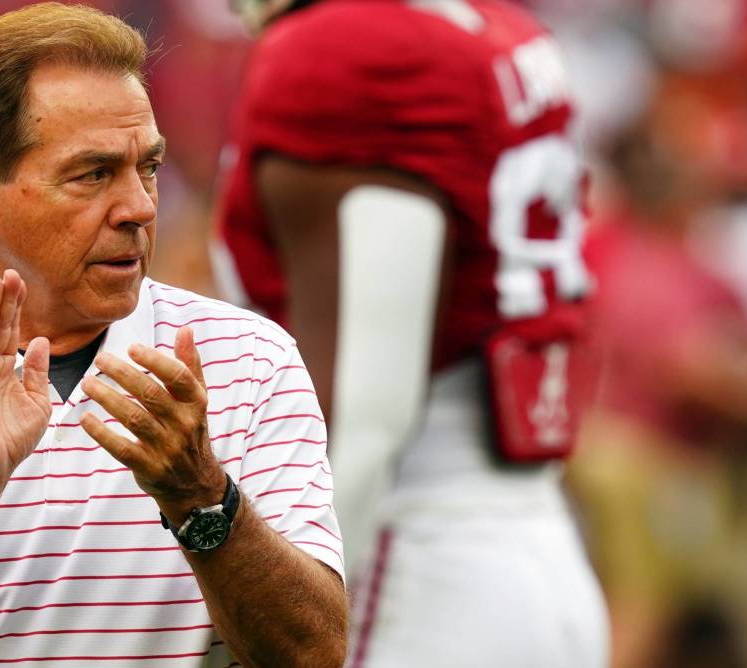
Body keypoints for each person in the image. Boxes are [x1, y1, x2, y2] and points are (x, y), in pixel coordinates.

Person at [0, 4, 347, 666]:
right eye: (93, 174)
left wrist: (201, 497)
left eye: (149, 167)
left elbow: (316, 654)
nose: (138, 207)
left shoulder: (251, 360)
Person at [218, 0, 608, 665]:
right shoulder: (494, 28)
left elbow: (364, 415)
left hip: (405, 566)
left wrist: (270, 619)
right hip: (537, 547)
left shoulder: (347, 49)